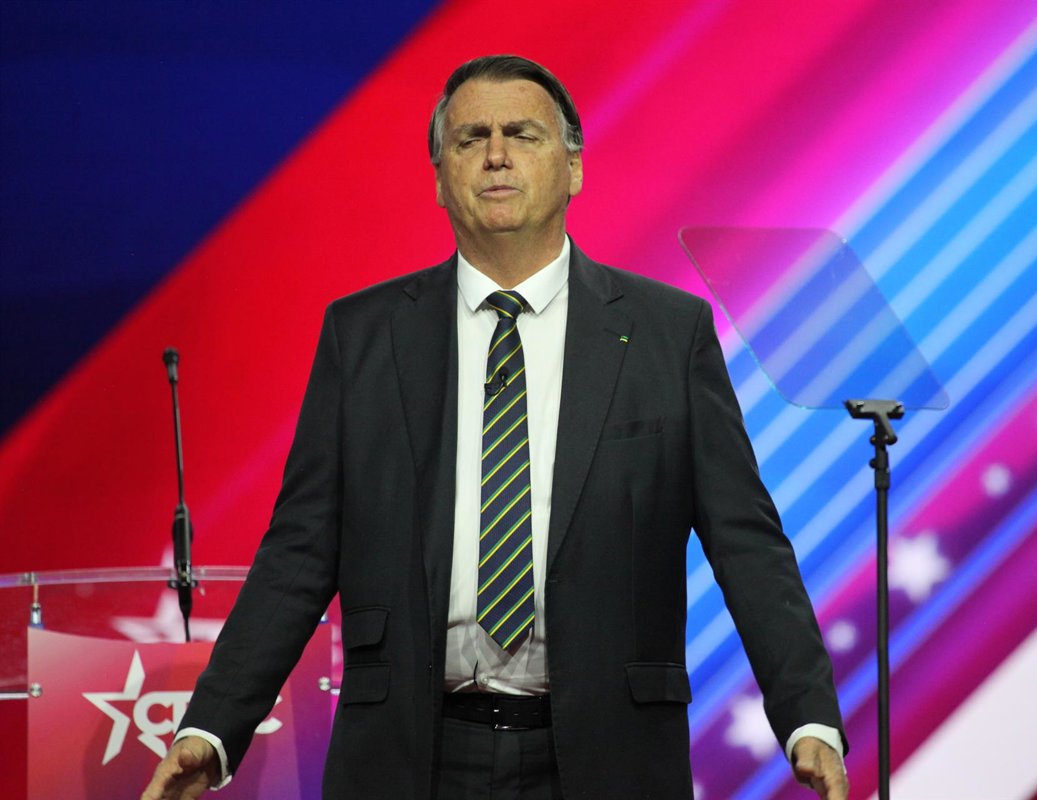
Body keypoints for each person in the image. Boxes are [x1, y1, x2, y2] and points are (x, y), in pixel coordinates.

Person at [141, 54, 848, 800]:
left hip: (609, 756)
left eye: (523, 135)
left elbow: (746, 542)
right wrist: (212, 729)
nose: (497, 155)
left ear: (575, 169)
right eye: (471, 138)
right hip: (409, 759)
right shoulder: (364, 336)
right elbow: (300, 549)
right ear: (440, 177)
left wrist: (808, 718)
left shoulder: (668, 335)